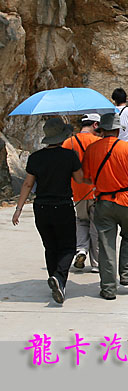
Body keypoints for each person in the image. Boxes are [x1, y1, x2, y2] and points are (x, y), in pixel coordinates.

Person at [12, 118, 83, 304]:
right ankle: (59, 278)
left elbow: (28, 184)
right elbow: (80, 179)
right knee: (68, 246)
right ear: (62, 136)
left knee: (50, 246)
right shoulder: (70, 155)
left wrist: (18, 209)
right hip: (63, 206)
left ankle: (55, 279)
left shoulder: (35, 158)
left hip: (41, 207)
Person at [83, 113, 128, 300]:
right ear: (118, 130)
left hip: (103, 201)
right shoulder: (127, 148)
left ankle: (109, 289)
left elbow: (87, 178)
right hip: (126, 199)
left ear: (101, 130)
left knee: (106, 244)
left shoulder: (92, 149)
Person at [62, 113, 101, 273]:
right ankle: (96, 263)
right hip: (96, 190)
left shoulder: (68, 142)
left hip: (77, 190)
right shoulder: (99, 142)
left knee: (81, 221)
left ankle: (81, 249)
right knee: (95, 225)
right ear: (95, 125)